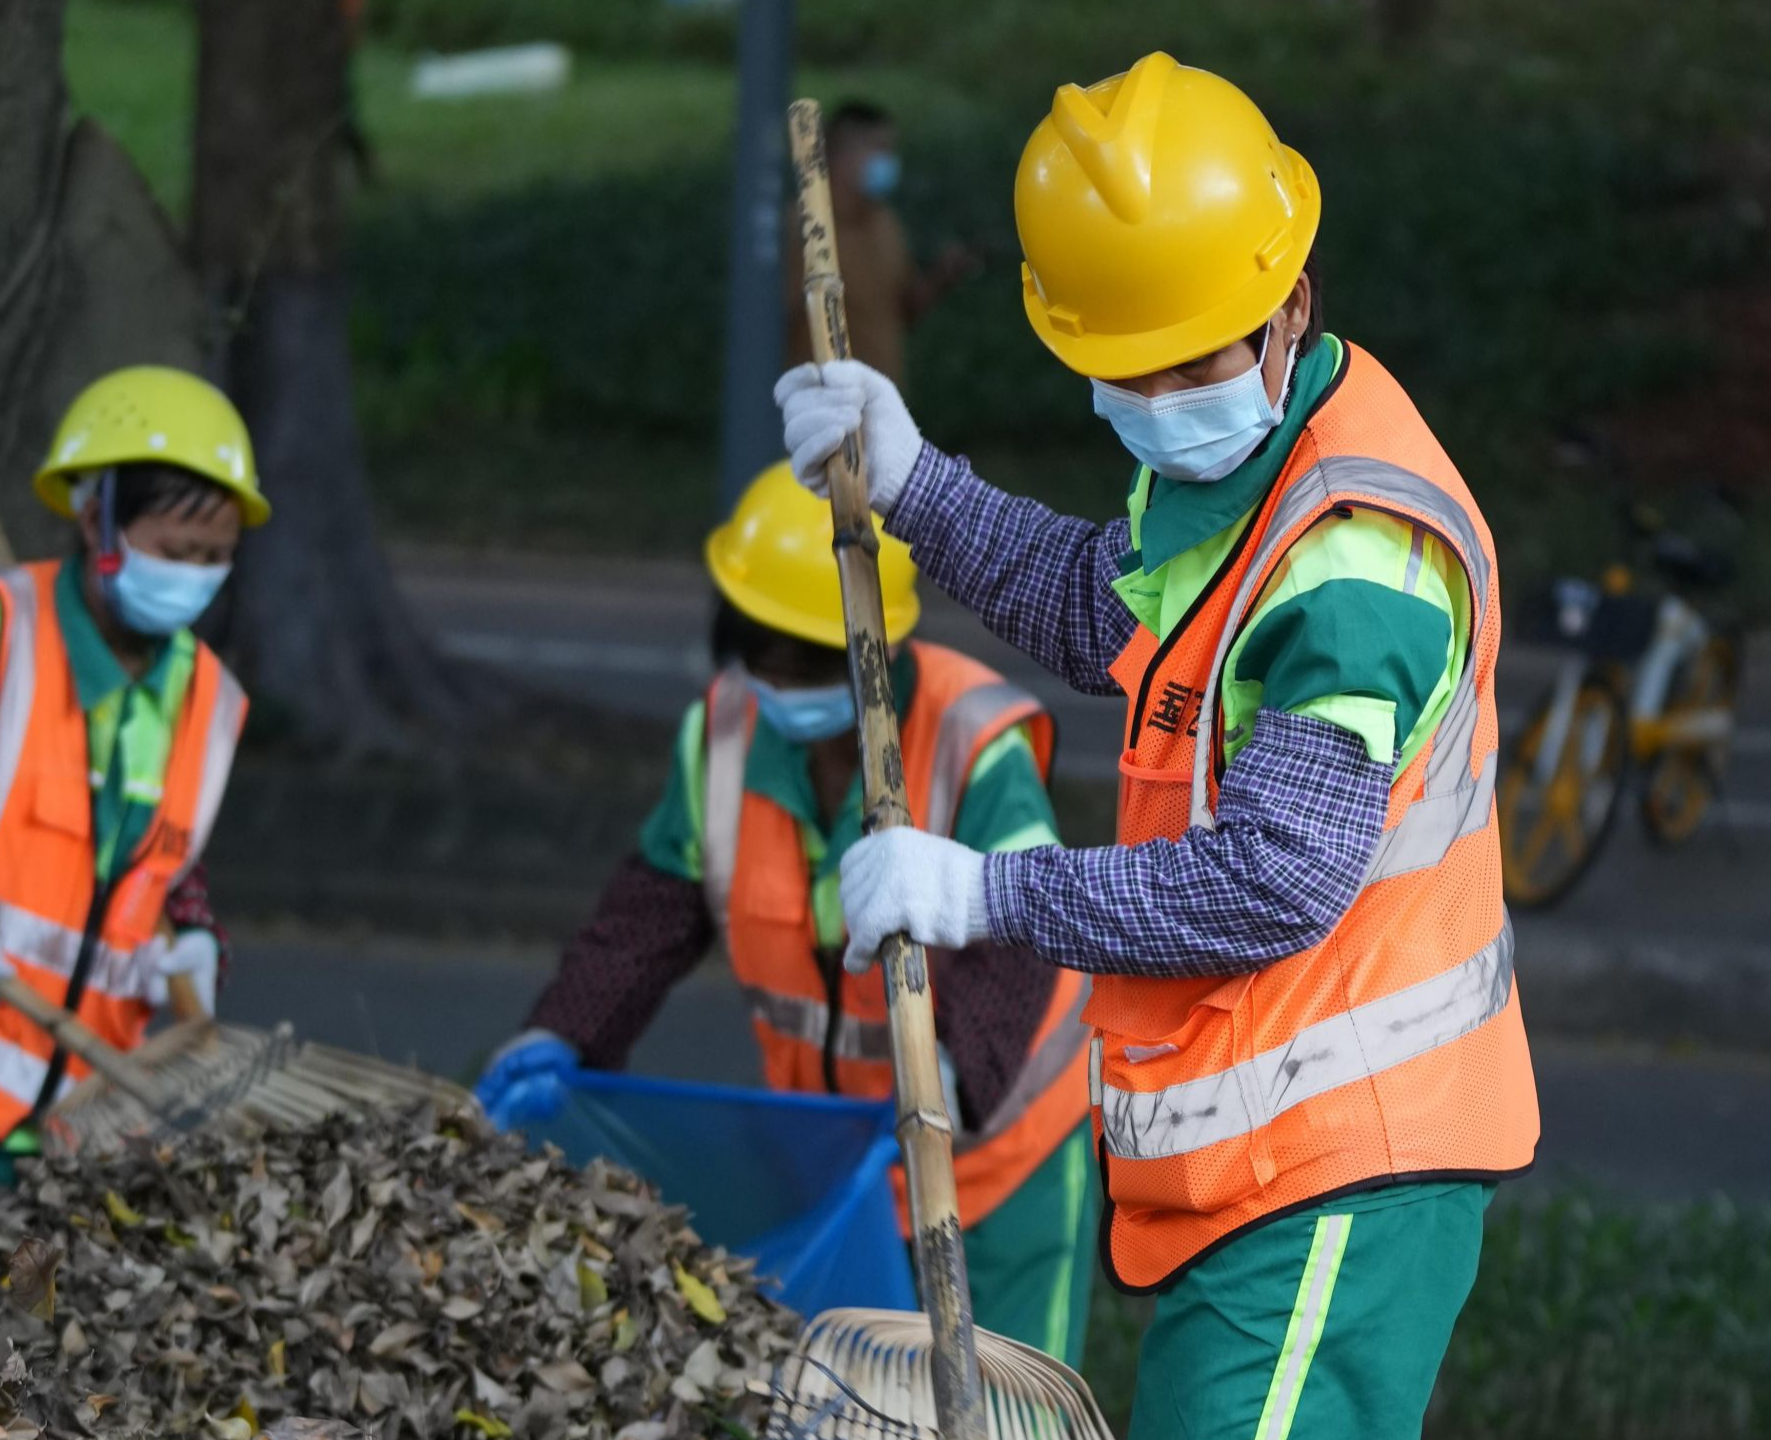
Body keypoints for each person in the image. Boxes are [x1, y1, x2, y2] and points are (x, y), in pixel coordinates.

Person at [776, 53, 1539, 1440]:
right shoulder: (1236, 456)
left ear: (1290, 299)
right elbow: (1104, 613)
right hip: (1275, 1160)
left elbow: (1270, 880)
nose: (1166, 394)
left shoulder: (1357, 559)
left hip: (1347, 1160)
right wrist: (910, 484)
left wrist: (984, 894)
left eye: (1196, 358)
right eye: (1129, 368)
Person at [480, 462, 1097, 1363]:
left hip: (998, 1159)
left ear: (874, 649)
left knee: (1005, 1404)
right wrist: (564, 1033)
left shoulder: (971, 738)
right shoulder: (724, 733)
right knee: (843, 1396)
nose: (779, 688)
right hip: (827, 1158)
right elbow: (652, 909)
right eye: (759, 658)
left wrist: (951, 1088)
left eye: (808, 665)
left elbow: (1021, 934)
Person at [0, 365, 269, 1275]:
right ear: (97, 523)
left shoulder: (208, 700)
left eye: (215, 557)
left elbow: (156, 861)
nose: (193, 578)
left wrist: (192, 934)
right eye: (175, 549)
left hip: (76, 1135)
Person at [783, 101, 979, 388]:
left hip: (880, 410)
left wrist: (943, 276)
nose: (889, 161)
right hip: (818, 412)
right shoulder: (800, 226)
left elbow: (903, 312)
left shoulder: (885, 224)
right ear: (842, 154)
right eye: (880, 149)